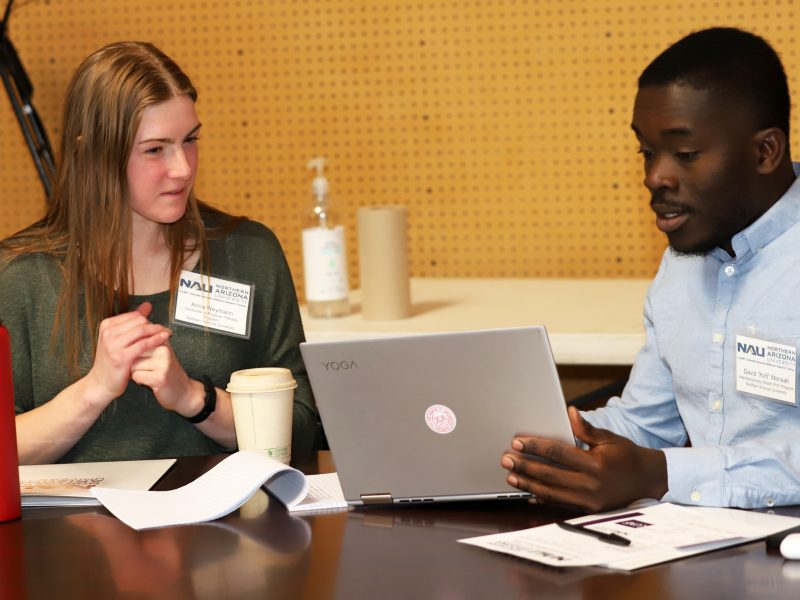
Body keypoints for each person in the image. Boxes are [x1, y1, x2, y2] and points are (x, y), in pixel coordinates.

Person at [502, 27, 800, 511]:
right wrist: (535, 447)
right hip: (703, 547)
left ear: (765, 151)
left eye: (684, 154)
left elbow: (657, 466)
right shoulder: (685, 256)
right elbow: (645, 425)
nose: (654, 176)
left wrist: (661, 474)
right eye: (647, 151)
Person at [0, 41, 322, 464]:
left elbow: (304, 430)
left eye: (190, 140)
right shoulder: (22, 275)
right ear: (90, 151)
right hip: (71, 529)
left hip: (224, 525)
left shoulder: (249, 254)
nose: (183, 168)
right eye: (155, 149)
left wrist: (194, 398)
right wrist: (95, 389)